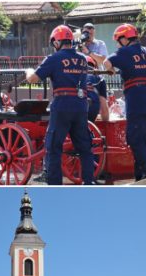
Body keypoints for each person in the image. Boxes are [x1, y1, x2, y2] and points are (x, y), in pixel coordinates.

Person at [26, 25, 95, 186]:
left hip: (62, 106)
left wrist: (28, 71)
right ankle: (89, 182)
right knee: (85, 147)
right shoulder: (83, 59)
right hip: (81, 106)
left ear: (56, 42)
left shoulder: (53, 59)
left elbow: (33, 79)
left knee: (53, 147)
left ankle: (55, 185)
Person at [105, 23, 146, 182]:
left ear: (124, 38)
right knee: (145, 140)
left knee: (134, 138)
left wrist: (113, 70)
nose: (118, 44)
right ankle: (140, 177)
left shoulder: (123, 52)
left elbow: (106, 63)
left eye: (118, 40)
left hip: (136, 99)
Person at [83, 55, 109, 123]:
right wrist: (106, 122)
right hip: (92, 108)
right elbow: (104, 108)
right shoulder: (100, 78)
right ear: (94, 66)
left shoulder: (75, 75)